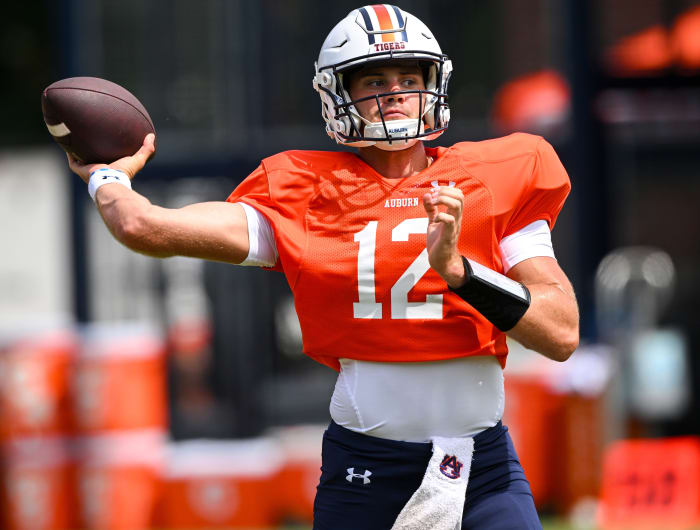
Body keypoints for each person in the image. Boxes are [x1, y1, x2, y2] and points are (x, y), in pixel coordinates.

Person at [68, 5, 578, 529]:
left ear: (435, 82)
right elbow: (143, 228)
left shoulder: (496, 177)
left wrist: (461, 273)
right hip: (366, 473)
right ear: (338, 93)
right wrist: (106, 177)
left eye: (408, 76)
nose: (396, 91)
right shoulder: (302, 192)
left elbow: (561, 332)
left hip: (482, 470)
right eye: (375, 79)